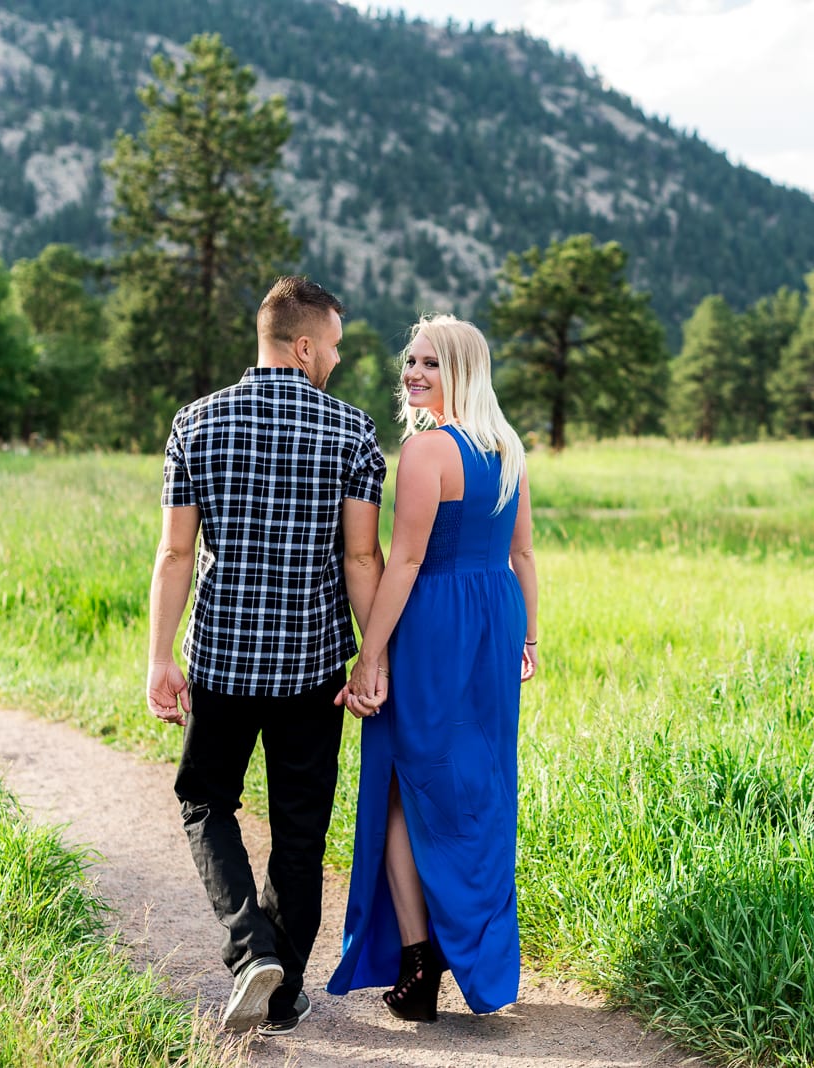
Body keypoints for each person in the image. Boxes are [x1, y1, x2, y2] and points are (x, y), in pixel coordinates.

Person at [145, 275, 388, 1036]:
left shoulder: (196, 422)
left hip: (219, 663)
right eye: (336, 347)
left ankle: (251, 950)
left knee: (205, 802)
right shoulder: (352, 432)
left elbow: (175, 551)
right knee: (301, 829)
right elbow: (361, 559)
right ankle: (281, 995)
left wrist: (159, 655)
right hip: (312, 670)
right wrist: (369, 659)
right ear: (305, 344)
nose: (338, 362)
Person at [326, 313, 539, 1022]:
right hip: (493, 621)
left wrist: (370, 655)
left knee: (399, 784)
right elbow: (523, 557)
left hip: (436, 623)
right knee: (479, 784)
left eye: (431, 363)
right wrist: (529, 635)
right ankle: (464, 943)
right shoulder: (507, 447)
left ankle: (420, 960)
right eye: (410, 360)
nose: (412, 373)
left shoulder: (425, 453)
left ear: (462, 371)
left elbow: (408, 561)